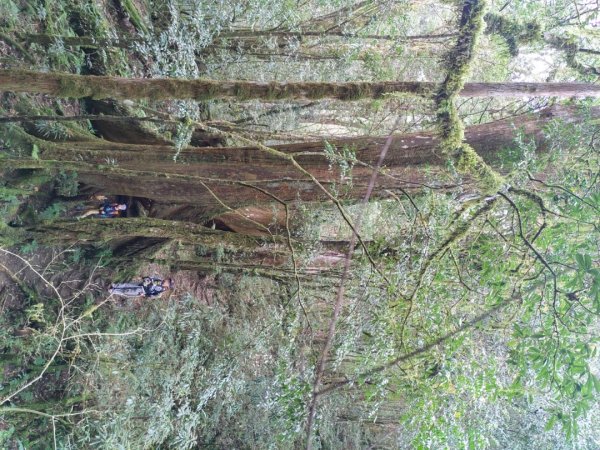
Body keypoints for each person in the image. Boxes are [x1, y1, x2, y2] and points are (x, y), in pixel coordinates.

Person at [109, 277, 173, 298]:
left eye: (168, 282)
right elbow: (150, 277)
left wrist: (144, 295)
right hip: (140, 284)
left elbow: (151, 296)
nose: (166, 280)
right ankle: (114, 286)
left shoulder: (160, 292)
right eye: (167, 280)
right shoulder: (159, 279)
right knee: (126, 285)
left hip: (141, 292)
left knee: (126, 292)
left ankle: (113, 291)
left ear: (168, 286)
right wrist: (146, 279)